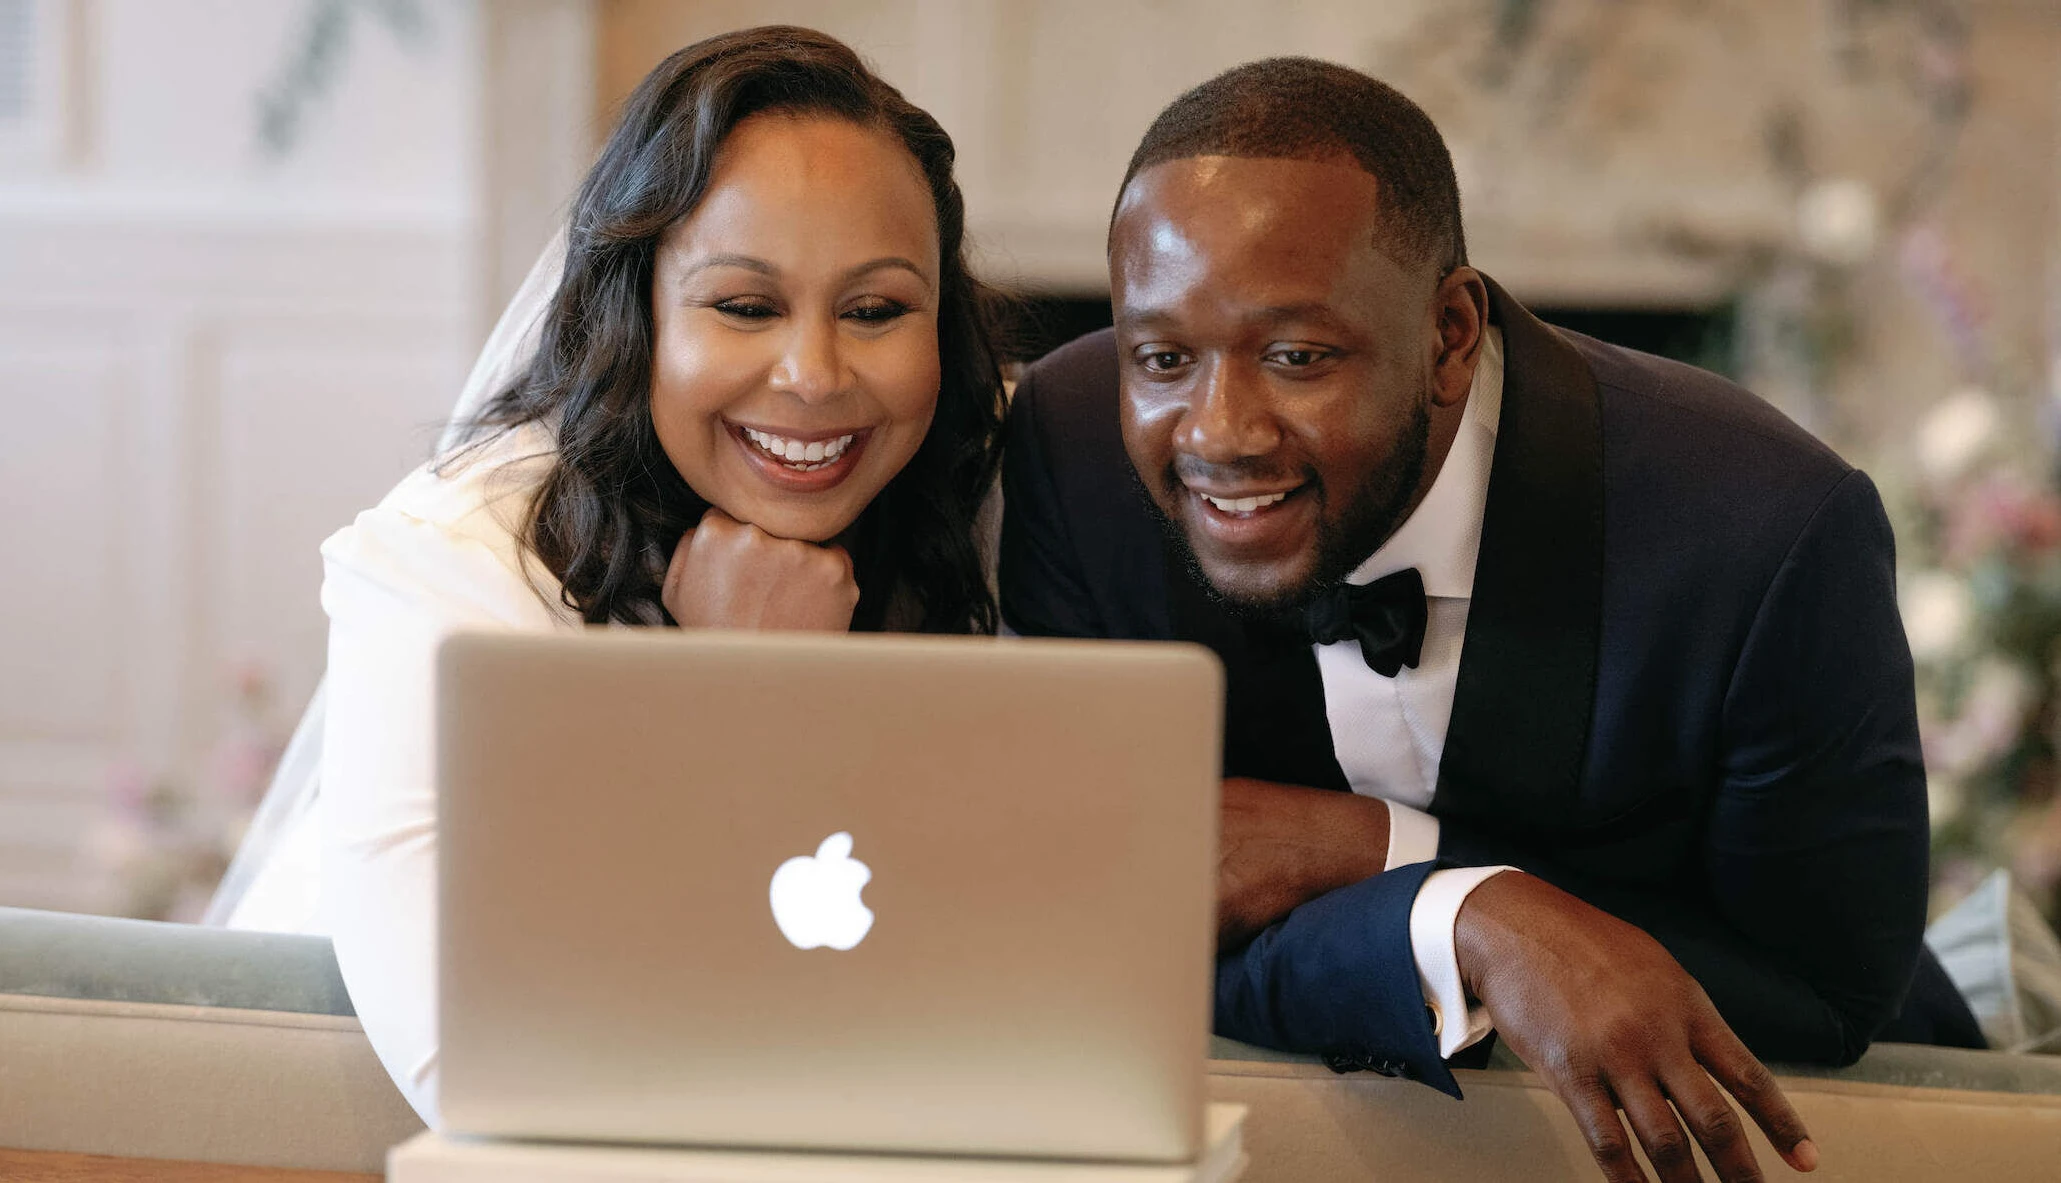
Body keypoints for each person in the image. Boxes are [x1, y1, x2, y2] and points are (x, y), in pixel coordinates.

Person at [998, 58, 1984, 1183]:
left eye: (1295, 356)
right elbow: (1107, 918)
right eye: (1162, 357)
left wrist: (1373, 851)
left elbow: (1823, 993)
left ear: (1450, 334)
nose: (1215, 432)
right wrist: (1458, 911)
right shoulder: (1072, 453)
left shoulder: (1760, 532)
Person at [225, 26, 1007, 1127]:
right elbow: (488, 1065)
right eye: (743, 306)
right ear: (632, 312)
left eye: (875, 310)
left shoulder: (974, 501)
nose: (815, 377)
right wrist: (739, 693)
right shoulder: (449, 577)